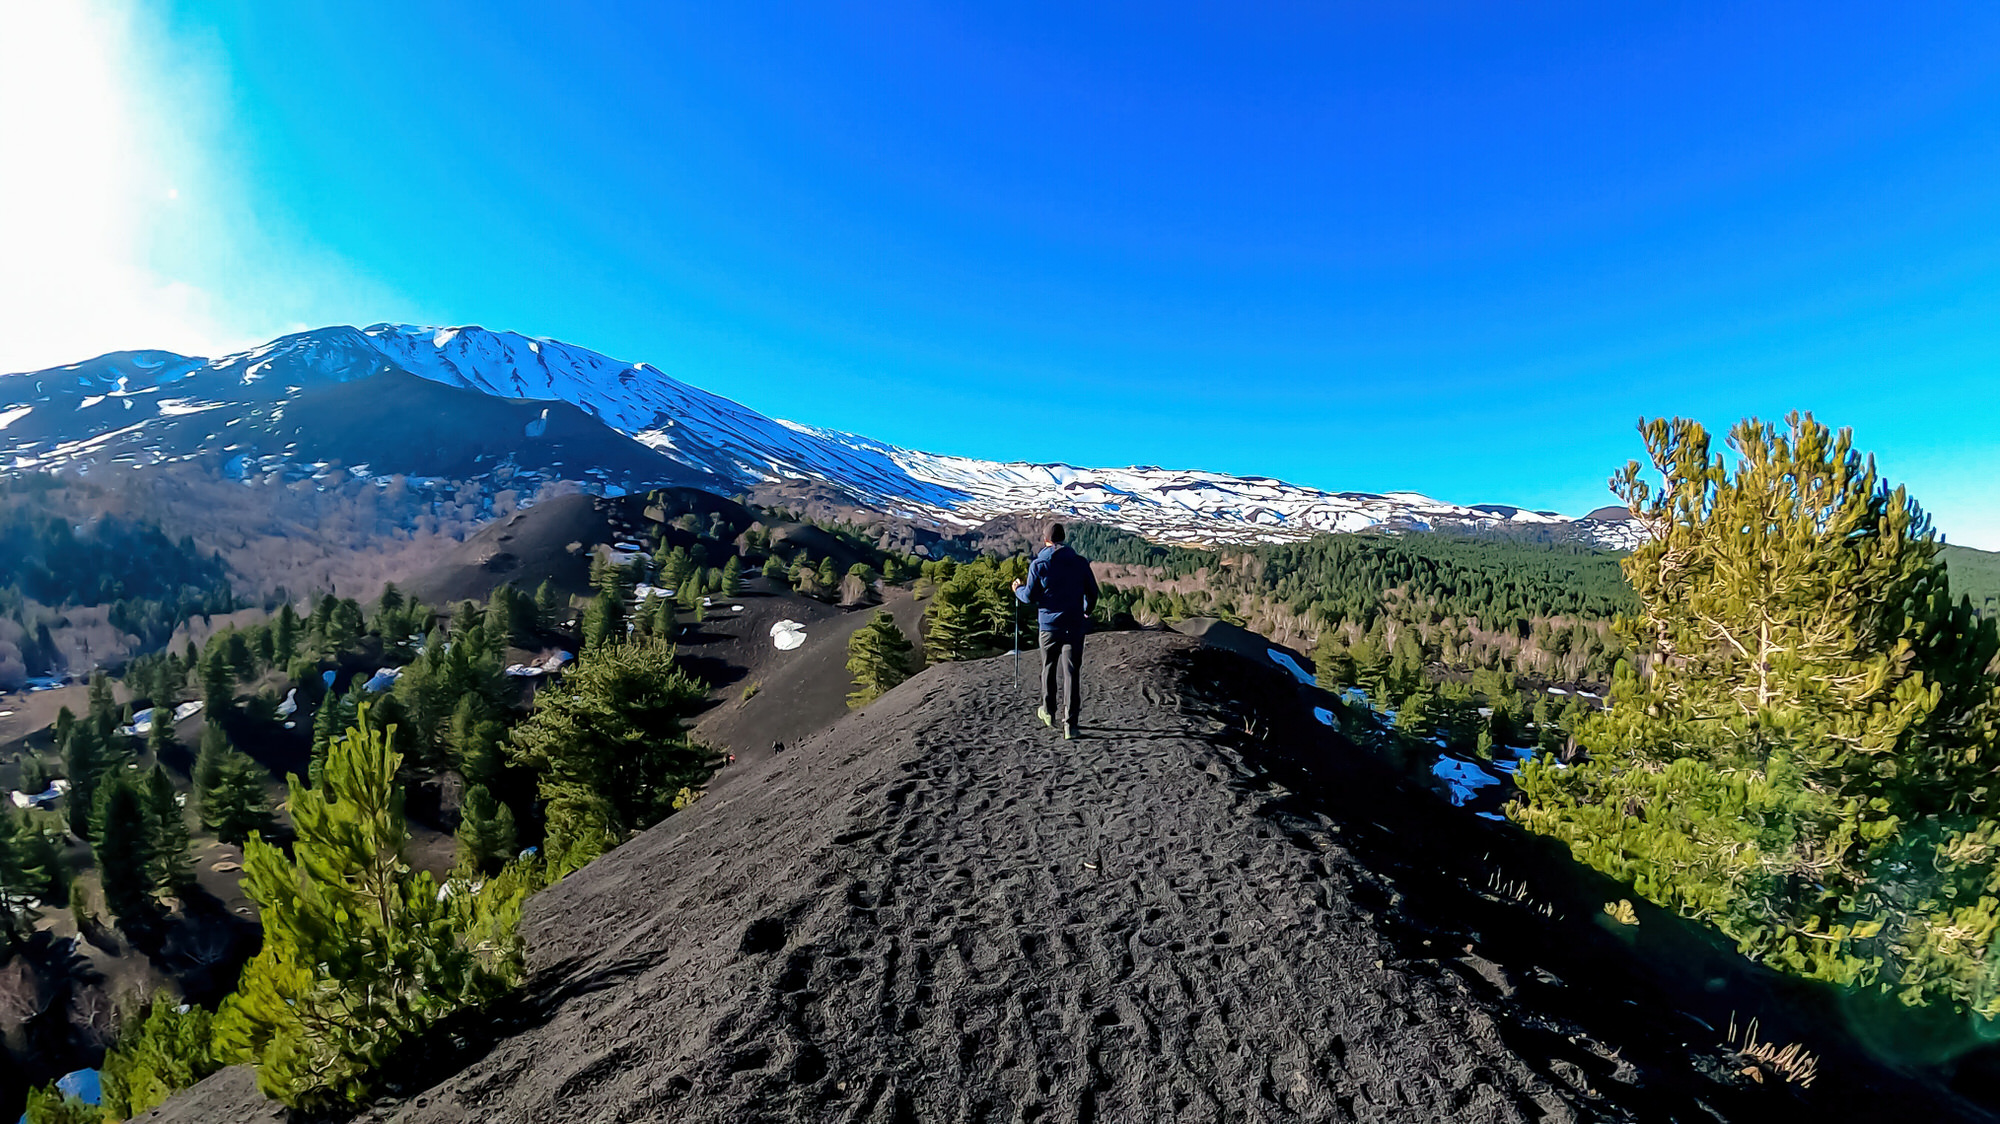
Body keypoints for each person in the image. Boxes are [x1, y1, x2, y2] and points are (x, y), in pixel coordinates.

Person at [1012, 522, 1099, 739]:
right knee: (1071, 673)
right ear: (1063, 538)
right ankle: (1071, 724)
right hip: (1074, 624)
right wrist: (1087, 611)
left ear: (1046, 540)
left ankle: (1048, 711)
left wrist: (1017, 589)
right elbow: (1093, 592)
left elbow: (1029, 597)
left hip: (1049, 627)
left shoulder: (1039, 565)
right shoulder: (1079, 563)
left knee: (1048, 667)